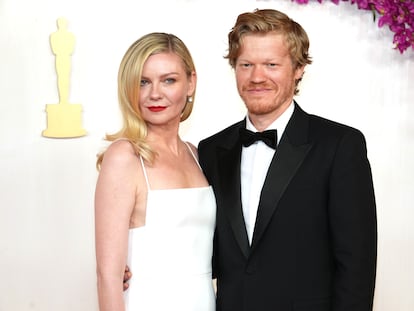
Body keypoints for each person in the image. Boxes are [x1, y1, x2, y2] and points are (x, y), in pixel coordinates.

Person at [197, 8, 377, 311]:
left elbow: (356, 265)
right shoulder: (211, 150)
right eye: (246, 64)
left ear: (298, 69)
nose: (256, 77)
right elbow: (205, 247)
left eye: (271, 64)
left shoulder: (340, 146)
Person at [94, 32, 216, 311]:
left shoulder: (196, 154)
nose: (155, 94)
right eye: (143, 82)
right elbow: (108, 277)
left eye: (169, 80)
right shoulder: (124, 157)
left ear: (191, 83)